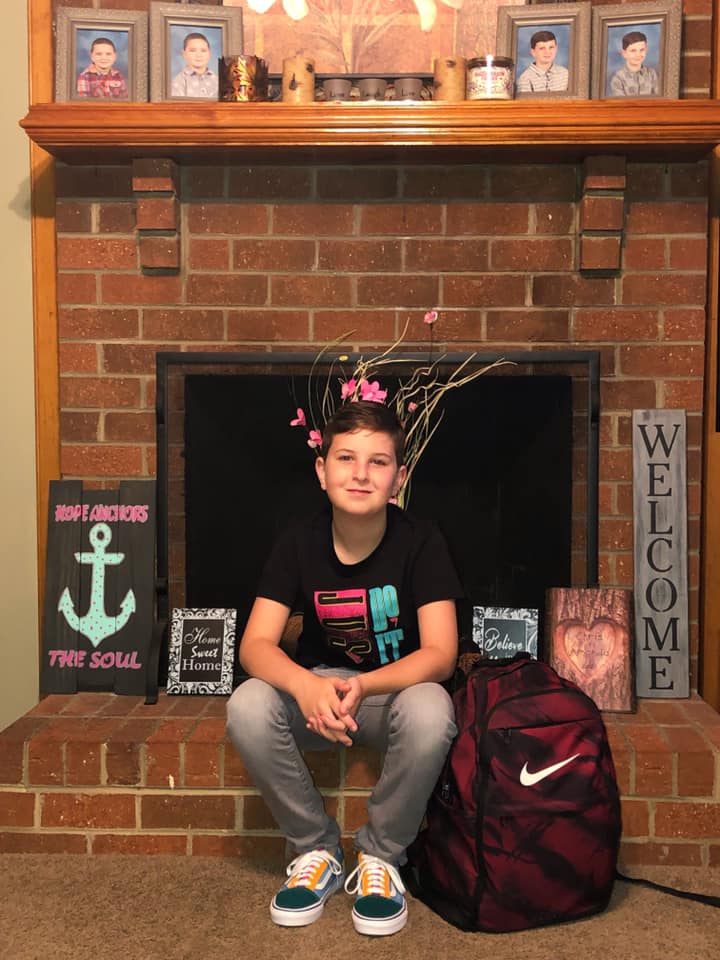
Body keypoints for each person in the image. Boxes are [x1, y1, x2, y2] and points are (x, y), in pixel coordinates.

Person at [226, 399, 462, 936]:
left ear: (399, 477)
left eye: (378, 462)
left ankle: (381, 857)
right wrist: (304, 684)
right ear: (321, 469)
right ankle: (316, 849)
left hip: (388, 696)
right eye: (346, 458)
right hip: (318, 697)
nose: (360, 474)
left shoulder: (422, 541)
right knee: (248, 704)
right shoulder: (298, 541)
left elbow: (440, 654)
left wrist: (365, 684)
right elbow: (255, 646)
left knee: (433, 708)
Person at [610, 30, 658, 97]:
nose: (638, 54)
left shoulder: (651, 74)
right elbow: (621, 103)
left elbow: (658, 99)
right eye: (633, 51)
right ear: (624, 53)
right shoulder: (618, 79)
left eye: (642, 50)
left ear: (646, 50)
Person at [171, 32, 218, 99]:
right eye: (192, 50)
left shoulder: (217, 80)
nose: (198, 55)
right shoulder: (179, 81)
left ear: (209, 54)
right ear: (184, 54)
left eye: (203, 50)